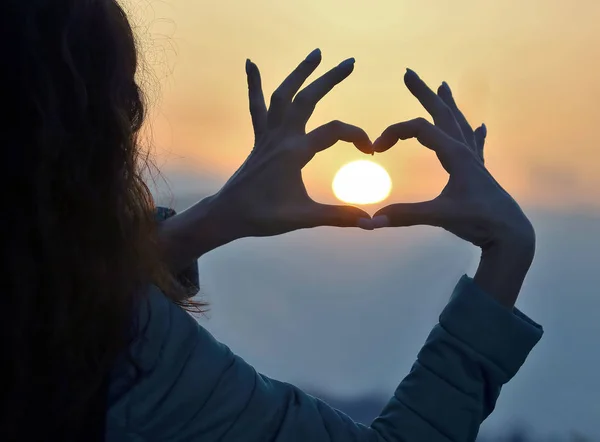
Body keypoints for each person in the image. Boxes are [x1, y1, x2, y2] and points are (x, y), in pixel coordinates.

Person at [1, 1, 543, 441]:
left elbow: (53, 296)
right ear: (100, 134)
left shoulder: (60, 322)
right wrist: (507, 249)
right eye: (128, 99)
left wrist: (206, 223)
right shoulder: (132, 359)